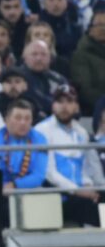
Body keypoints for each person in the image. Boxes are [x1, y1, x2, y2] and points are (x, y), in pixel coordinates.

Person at [34, 85, 104, 227]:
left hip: (80, 191)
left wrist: (90, 187)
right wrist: (78, 191)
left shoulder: (81, 132)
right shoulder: (42, 130)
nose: (64, 106)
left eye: (69, 101)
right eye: (60, 102)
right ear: (53, 105)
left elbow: (85, 169)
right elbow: (49, 173)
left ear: (76, 106)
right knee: (92, 210)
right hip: (58, 193)